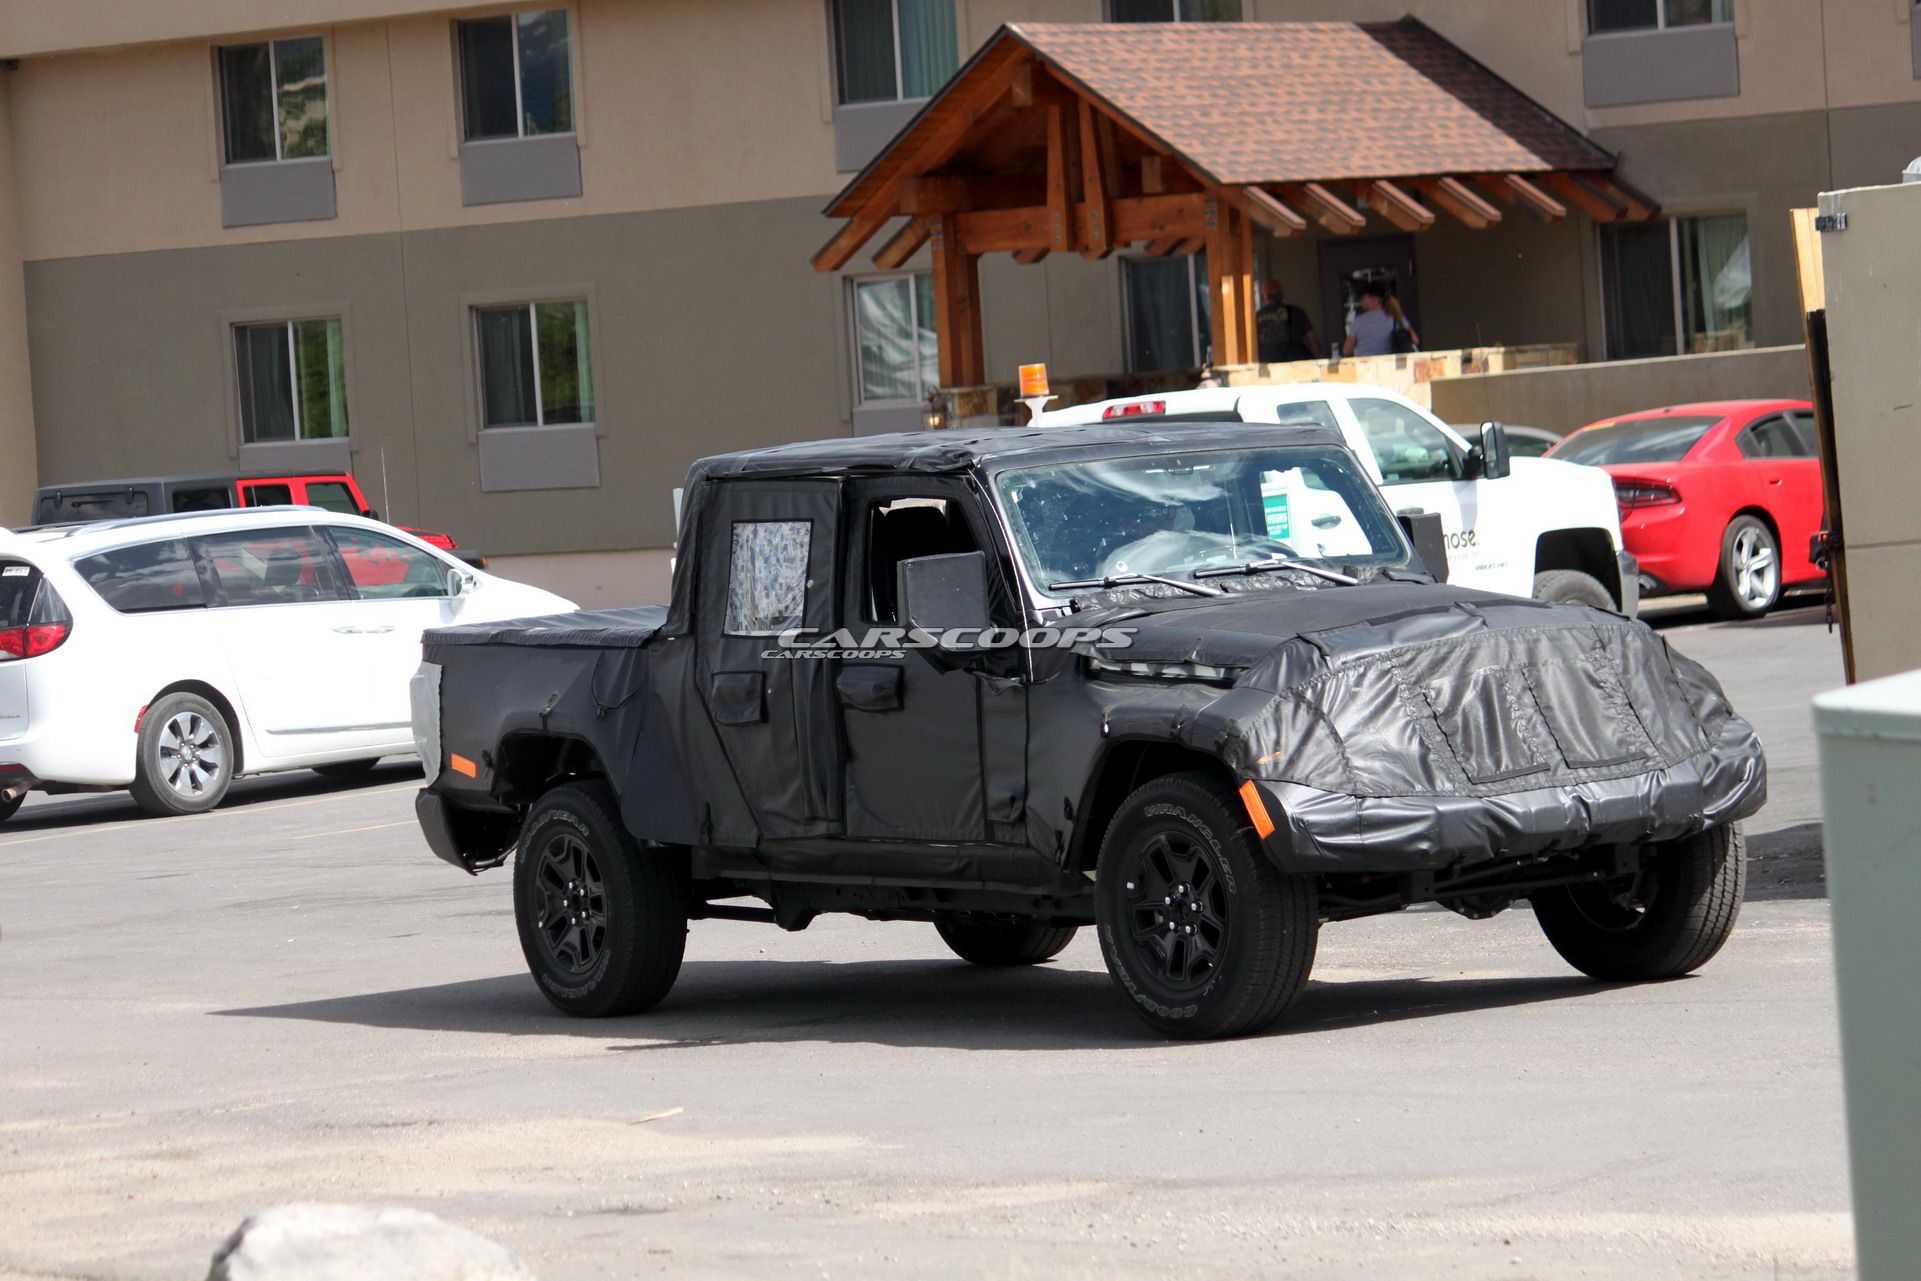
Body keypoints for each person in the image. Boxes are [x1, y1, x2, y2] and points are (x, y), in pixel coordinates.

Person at [1342, 280, 1419, 358]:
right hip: (1391, 362)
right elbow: (1415, 340)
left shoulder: (1359, 321)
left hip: (1364, 363)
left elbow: (1347, 350)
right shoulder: (1396, 316)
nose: (1361, 300)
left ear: (1375, 299)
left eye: (1364, 297)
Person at [1254, 280, 1324, 363]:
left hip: (1267, 367)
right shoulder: (1296, 312)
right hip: (1294, 366)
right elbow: (1313, 342)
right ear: (1281, 295)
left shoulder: (1256, 318)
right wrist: (1318, 361)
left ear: (1263, 296)